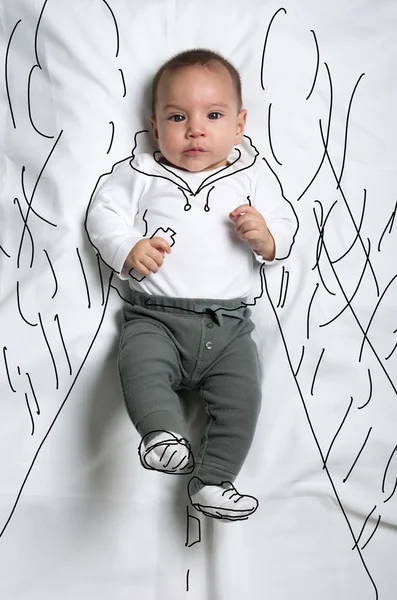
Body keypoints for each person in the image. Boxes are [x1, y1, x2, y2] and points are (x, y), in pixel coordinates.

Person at [86, 48, 296, 521]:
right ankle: (161, 436)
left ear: (240, 125)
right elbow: (102, 214)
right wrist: (126, 248)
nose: (195, 129)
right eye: (178, 117)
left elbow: (286, 224)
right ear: (156, 127)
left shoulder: (253, 176)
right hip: (155, 317)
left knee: (244, 398)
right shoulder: (141, 173)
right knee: (140, 368)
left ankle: (215, 481)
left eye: (213, 115)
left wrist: (268, 238)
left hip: (229, 328)